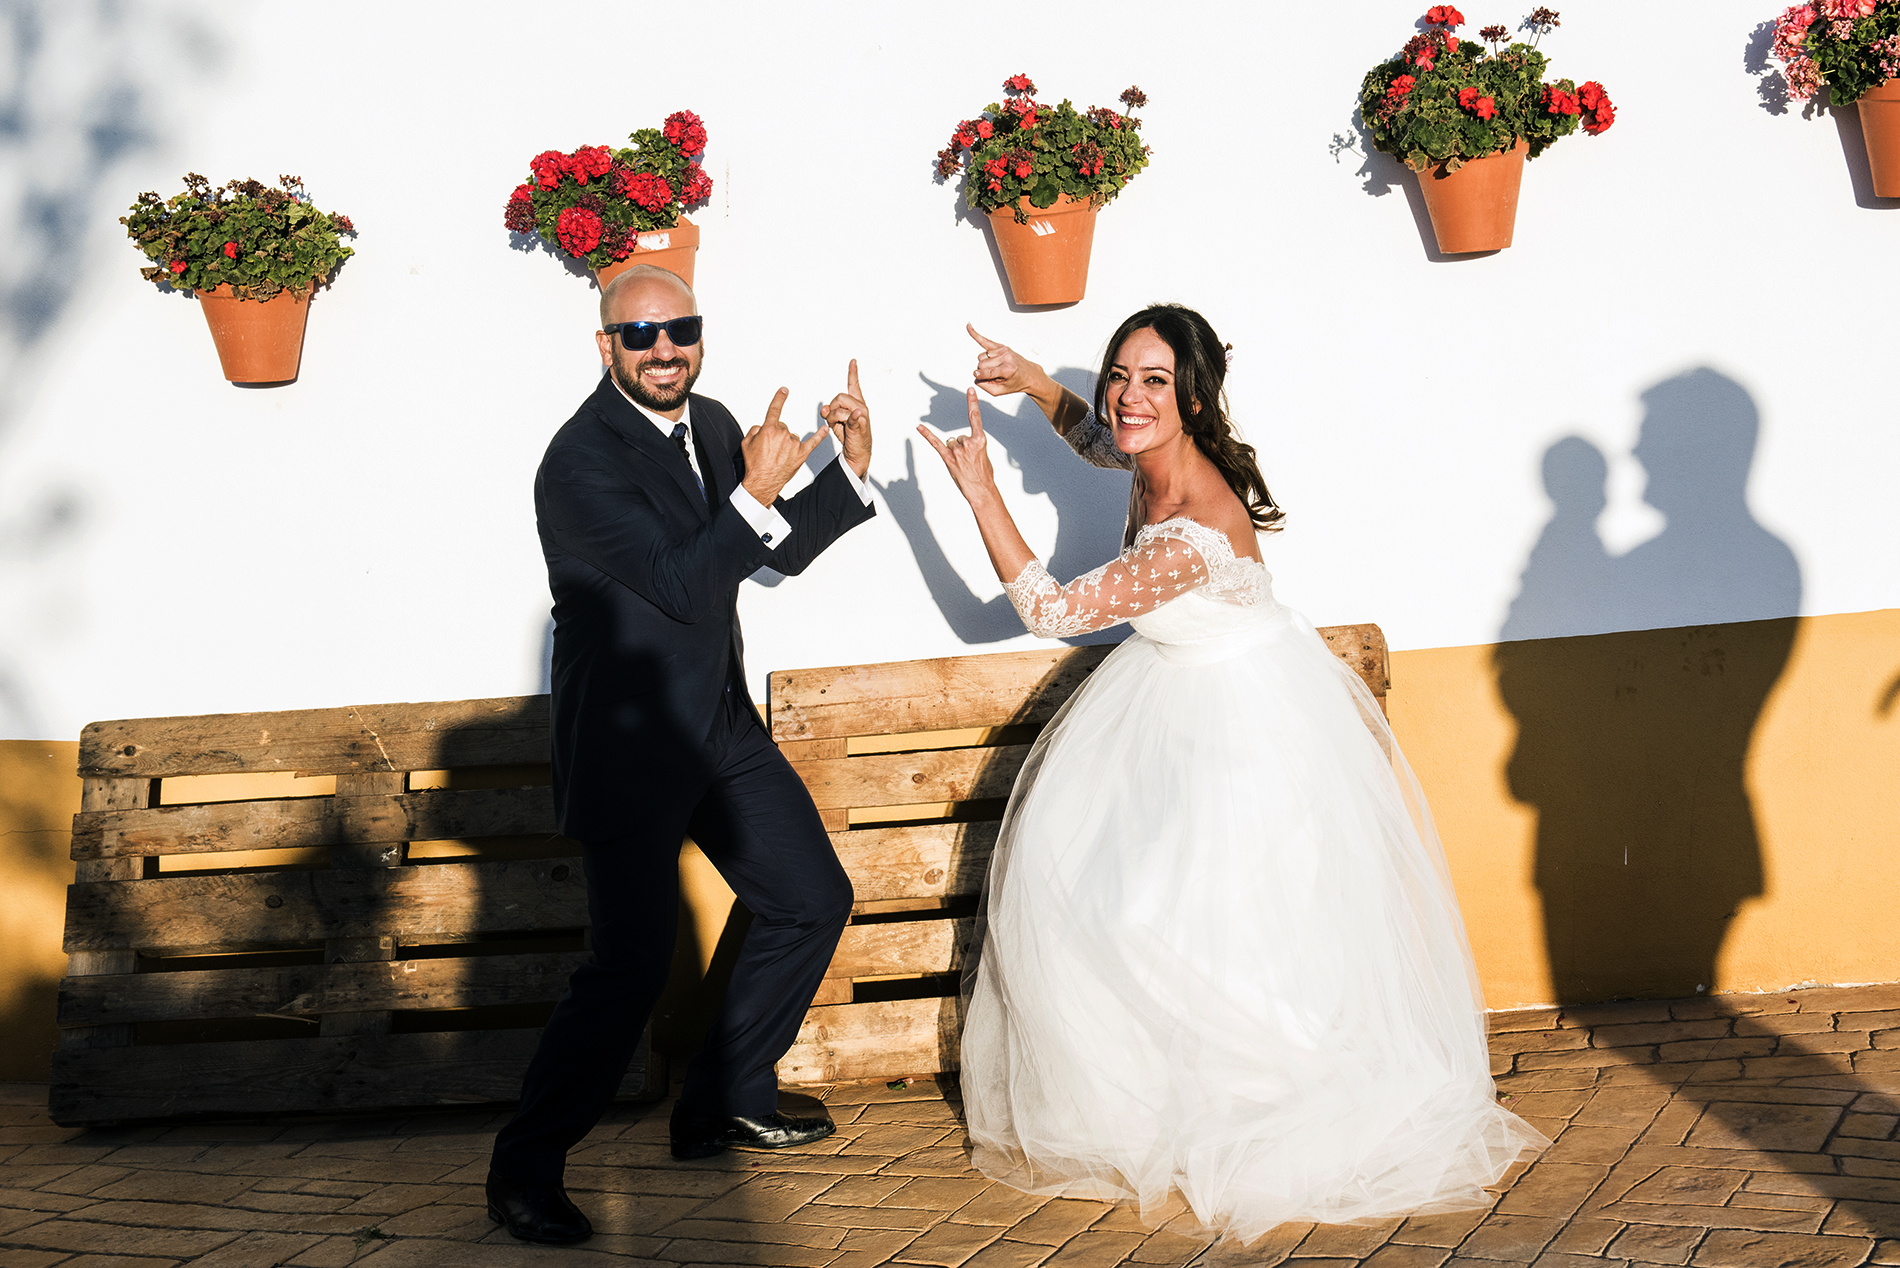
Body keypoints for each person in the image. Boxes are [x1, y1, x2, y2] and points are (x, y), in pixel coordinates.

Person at [919, 309, 1545, 1243]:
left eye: (1156, 381)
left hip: (1243, 732)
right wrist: (1039, 385)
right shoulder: (1150, 454)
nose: (1130, 398)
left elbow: (1052, 608)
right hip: (1182, 703)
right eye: (1120, 374)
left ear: (1196, 398)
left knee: (1189, 923)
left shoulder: (1193, 527)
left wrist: (978, 495)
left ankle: (1264, 1102)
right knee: (1143, 910)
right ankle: (1171, 1095)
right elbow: (1102, 440)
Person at [486, 265, 877, 1244]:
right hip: (626, 745)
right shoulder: (577, 462)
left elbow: (768, 550)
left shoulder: (709, 423)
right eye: (640, 334)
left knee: (808, 895)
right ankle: (523, 1167)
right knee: (630, 966)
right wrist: (754, 487)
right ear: (606, 346)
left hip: (718, 725)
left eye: (681, 329)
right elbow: (683, 585)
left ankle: (723, 1096)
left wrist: (845, 474)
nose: (664, 349)